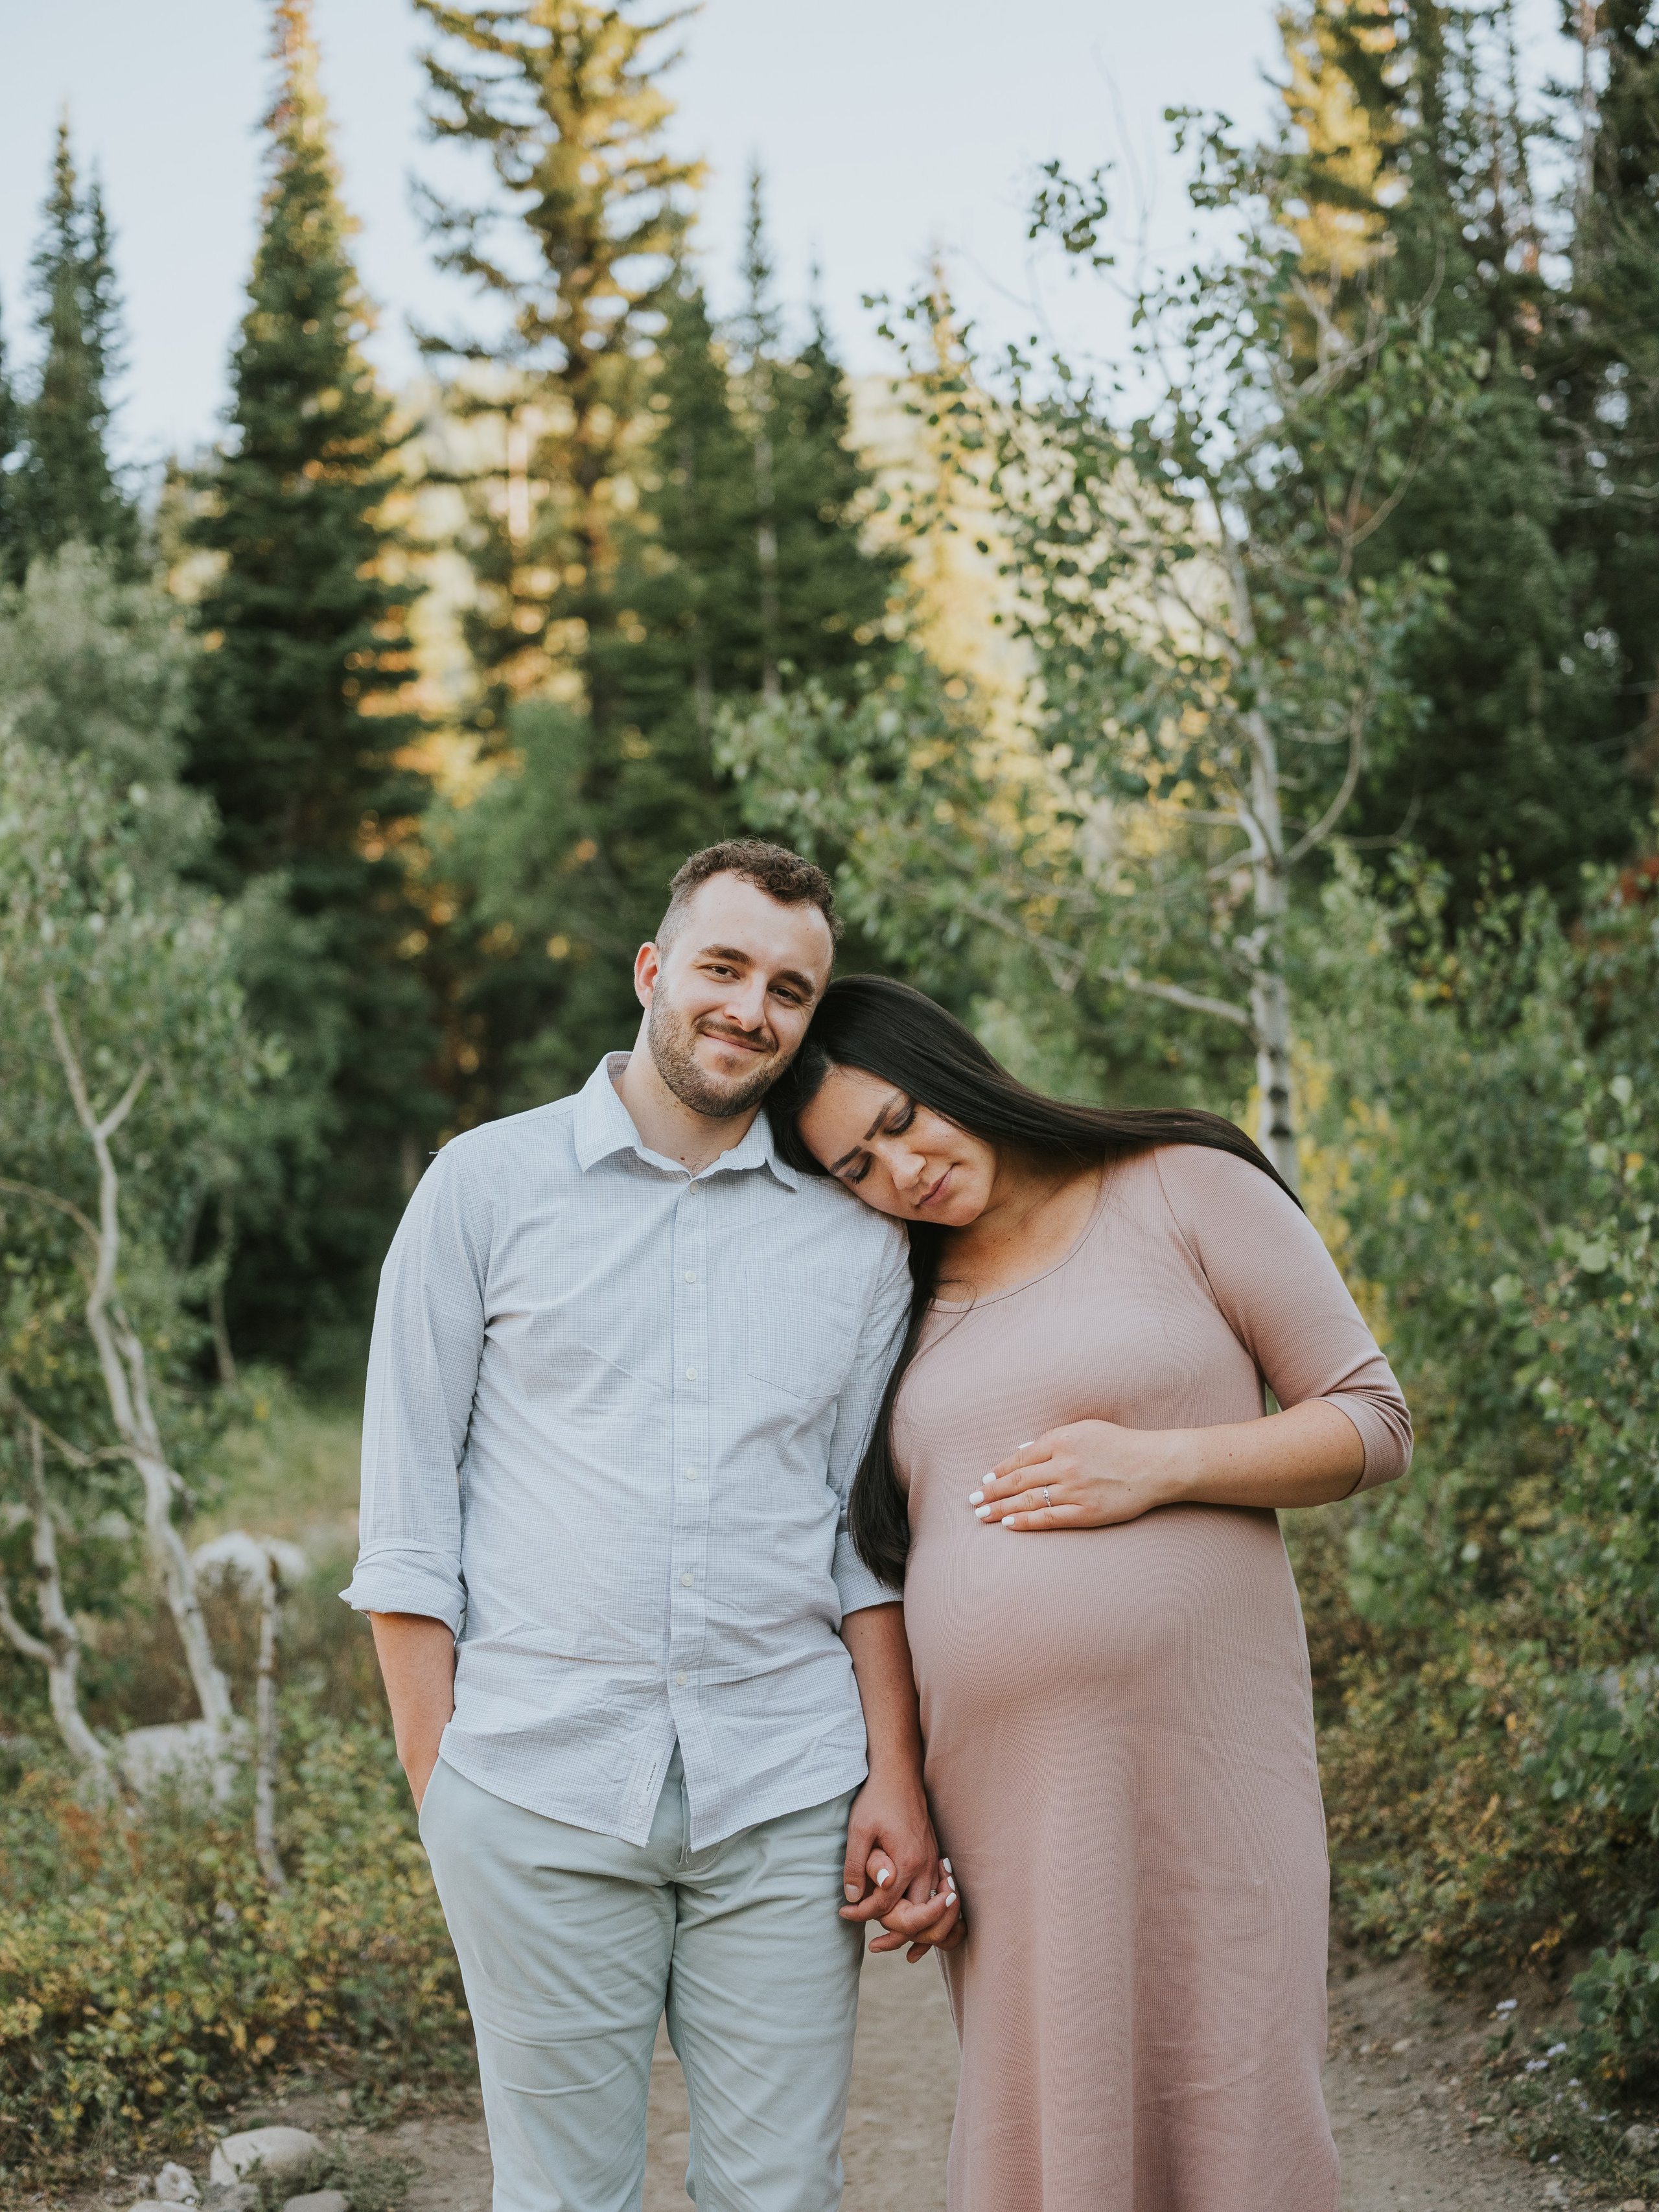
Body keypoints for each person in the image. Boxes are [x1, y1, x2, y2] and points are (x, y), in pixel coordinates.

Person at [343, 843, 958, 2212]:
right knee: (563, 2197)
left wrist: (894, 1777)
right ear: (652, 970)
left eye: (787, 989)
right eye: (723, 968)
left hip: (786, 1791)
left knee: (781, 2193)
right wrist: (442, 1784)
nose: (750, 1009)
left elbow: (861, 1537)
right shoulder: (481, 1189)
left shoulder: (853, 1238)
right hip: (533, 1787)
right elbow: (405, 1514)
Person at [770, 973, 1414, 2212]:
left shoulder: (1180, 1183)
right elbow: (877, 1570)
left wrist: (1160, 1462)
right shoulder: (886, 1303)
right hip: (1007, 1790)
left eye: (903, 1120)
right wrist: (894, 1778)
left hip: (1212, 1756)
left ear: (953, 1068)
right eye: (856, 1166)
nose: (899, 1173)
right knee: (1053, 2117)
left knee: (1236, 2092)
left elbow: (1373, 1421)